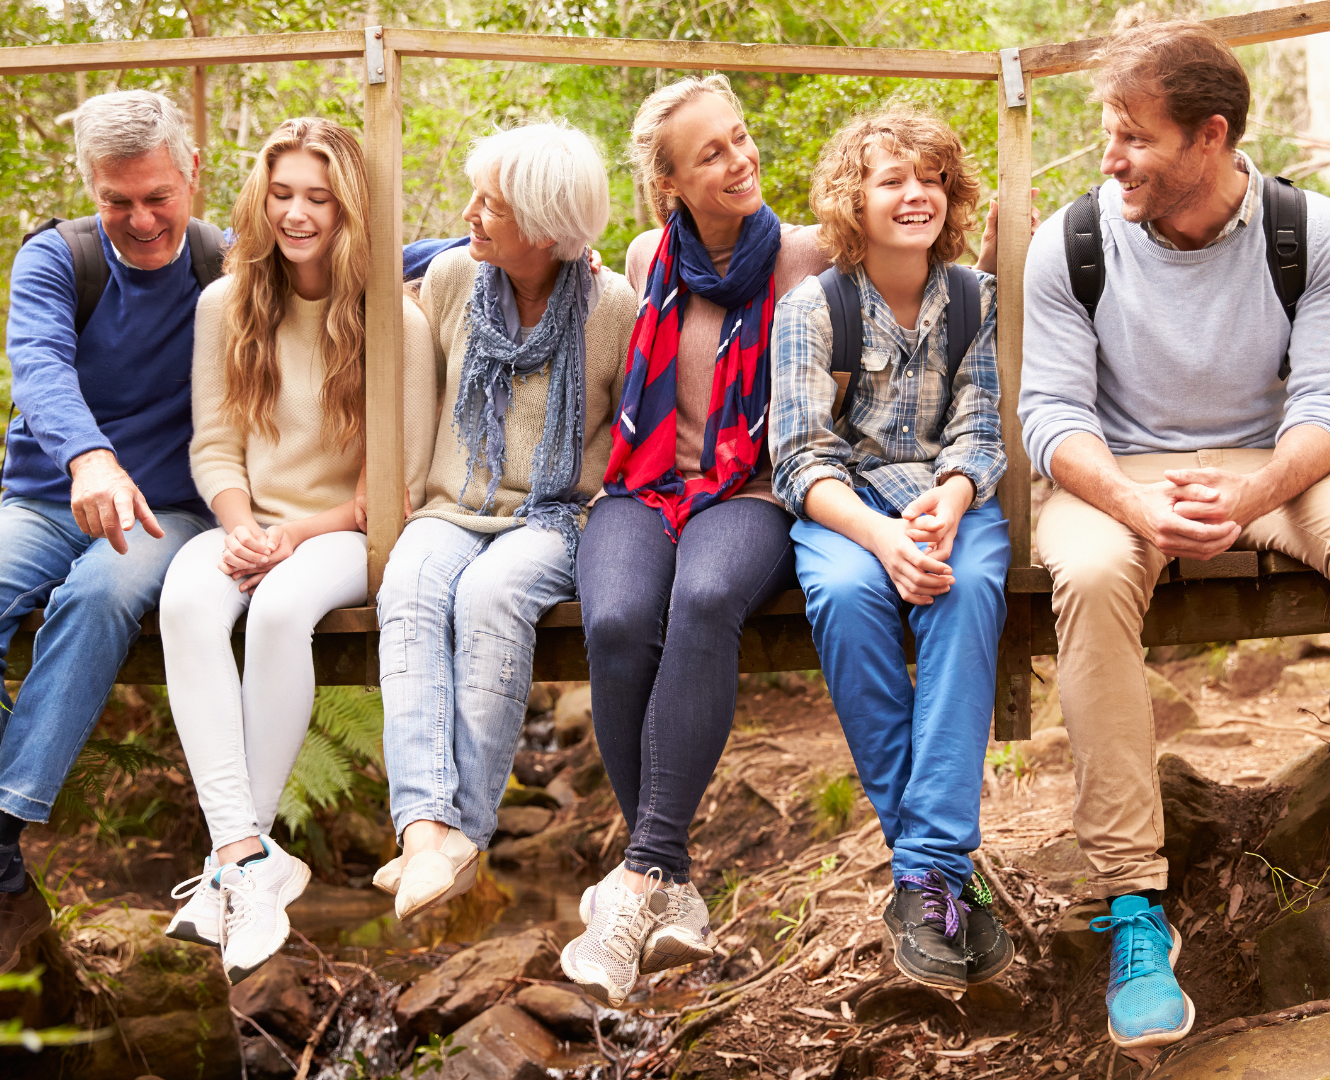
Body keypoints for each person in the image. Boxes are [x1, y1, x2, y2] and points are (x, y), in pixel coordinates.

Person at [1019, 21, 1330, 1049]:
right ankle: (1131, 906)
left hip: (1269, 464)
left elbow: (1323, 408)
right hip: (1115, 473)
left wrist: (1251, 498)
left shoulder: (1306, 233)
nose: (1109, 158)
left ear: (1209, 137)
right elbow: (1051, 419)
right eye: (1107, 133)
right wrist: (1137, 506)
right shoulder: (1070, 242)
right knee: (1097, 575)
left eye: (1131, 137)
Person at [562, 74, 829, 1008]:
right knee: (619, 618)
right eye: (711, 152)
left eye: (742, 138)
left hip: (752, 489)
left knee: (706, 598)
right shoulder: (645, 258)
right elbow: (520, 239)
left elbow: (921, 228)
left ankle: (636, 881)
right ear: (670, 183)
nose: (740, 159)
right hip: (644, 485)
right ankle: (668, 887)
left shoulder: (806, 255)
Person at [158, 118, 436, 985]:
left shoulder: (394, 318)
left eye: (318, 196)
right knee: (187, 601)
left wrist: (293, 537)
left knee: (279, 610)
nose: (297, 213)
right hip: (256, 523)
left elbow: (400, 483)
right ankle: (244, 856)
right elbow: (214, 446)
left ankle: (235, 867)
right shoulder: (224, 305)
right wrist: (239, 522)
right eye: (282, 194)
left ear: (348, 206)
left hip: (354, 536)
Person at [770, 102, 1012, 993]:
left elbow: (981, 427)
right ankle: (944, 868)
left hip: (949, 498)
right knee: (844, 596)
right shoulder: (813, 307)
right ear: (854, 199)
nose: (916, 195)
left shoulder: (975, 301)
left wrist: (947, 508)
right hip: (848, 508)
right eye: (892, 180)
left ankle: (921, 874)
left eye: (932, 179)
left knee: (969, 583)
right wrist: (881, 539)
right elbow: (800, 457)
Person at [368, 122, 637, 925]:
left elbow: (628, 429)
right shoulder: (452, 274)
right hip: (456, 504)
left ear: (551, 230)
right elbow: (376, 272)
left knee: (491, 596)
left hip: (556, 514)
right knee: (410, 585)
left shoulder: (612, 305)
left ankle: (467, 834)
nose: (472, 213)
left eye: (492, 205)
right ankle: (422, 831)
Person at [0, 90, 218, 973]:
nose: (140, 220)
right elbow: (40, 362)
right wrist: (88, 457)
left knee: (101, 592)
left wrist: (486, 243)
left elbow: (349, 255)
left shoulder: (221, 263)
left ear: (191, 175)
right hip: (49, 497)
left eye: (157, 196)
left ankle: (3, 828)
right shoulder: (59, 259)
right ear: (91, 188)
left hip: (166, 508)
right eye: (116, 200)